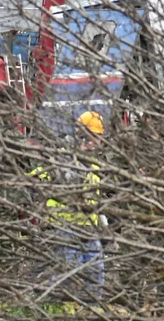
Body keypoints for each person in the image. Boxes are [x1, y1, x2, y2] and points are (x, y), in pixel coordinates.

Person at [29, 111, 106, 300]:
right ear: (85, 135)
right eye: (97, 137)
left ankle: (95, 313)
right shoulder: (63, 158)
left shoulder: (93, 162)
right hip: (65, 226)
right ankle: (41, 299)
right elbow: (36, 178)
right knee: (67, 274)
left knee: (96, 273)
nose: (99, 142)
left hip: (88, 226)